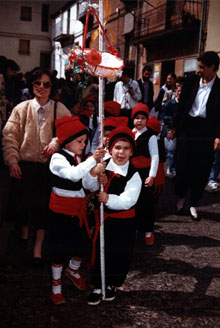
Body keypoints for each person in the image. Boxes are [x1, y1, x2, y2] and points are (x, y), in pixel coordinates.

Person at [2, 68, 71, 267]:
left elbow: (69, 131)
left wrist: (56, 142)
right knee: (21, 208)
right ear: (32, 85)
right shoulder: (21, 108)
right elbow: (10, 136)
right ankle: (23, 234)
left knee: (42, 210)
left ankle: (37, 249)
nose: (41, 87)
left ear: (52, 87)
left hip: (47, 169)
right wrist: (12, 160)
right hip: (23, 166)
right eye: (37, 83)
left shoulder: (59, 108)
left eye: (46, 84)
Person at [48, 115, 105, 305]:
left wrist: (96, 175)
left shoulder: (79, 158)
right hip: (60, 212)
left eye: (85, 141)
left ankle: (72, 269)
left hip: (78, 211)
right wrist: (91, 161)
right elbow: (72, 175)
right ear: (67, 141)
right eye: (79, 141)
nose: (83, 144)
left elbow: (85, 183)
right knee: (59, 250)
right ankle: (56, 286)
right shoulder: (57, 158)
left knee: (84, 246)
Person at [87, 126, 142, 305]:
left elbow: (129, 199)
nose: (121, 152)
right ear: (111, 149)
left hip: (124, 222)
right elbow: (88, 184)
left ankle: (111, 283)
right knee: (101, 250)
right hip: (105, 221)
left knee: (119, 253)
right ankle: (97, 285)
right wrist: (96, 175)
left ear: (131, 152)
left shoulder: (134, 175)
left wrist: (108, 198)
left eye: (126, 149)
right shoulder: (103, 164)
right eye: (118, 147)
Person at [174, 51, 220, 220]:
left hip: (206, 131)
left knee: (201, 169)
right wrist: (174, 128)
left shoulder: (219, 88)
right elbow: (181, 108)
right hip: (188, 129)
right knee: (182, 165)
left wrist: (218, 136)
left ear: (212, 68)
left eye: (202, 67)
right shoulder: (191, 81)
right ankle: (181, 197)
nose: (198, 70)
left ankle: (194, 203)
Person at [130, 103, 159, 245]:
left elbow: (155, 156)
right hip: (132, 173)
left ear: (147, 120)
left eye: (142, 118)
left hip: (145, 173)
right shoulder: (130, 133)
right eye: (137, 118)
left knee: (146, 203)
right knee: (133, 202)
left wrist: (152, 175)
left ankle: (148, 231)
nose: (139, 121)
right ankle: (134, 229)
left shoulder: (151, 136)